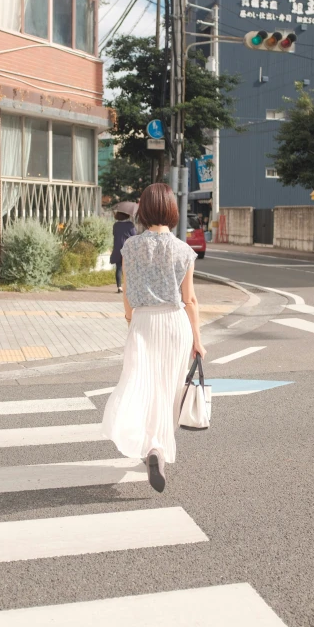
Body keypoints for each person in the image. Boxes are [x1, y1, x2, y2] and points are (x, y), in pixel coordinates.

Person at [102, 183, 206, 493]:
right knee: (168, 390)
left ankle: (150, 447)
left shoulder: (130, 247)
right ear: (172, 210)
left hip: (144, 323)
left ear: (144, 211)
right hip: (175, 325)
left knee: (140, 384)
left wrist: (132, 323)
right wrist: (197, 340)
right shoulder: (183, 250)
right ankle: (158, 448)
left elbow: (128, 297)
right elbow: (190, 300)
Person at [110, 210, 136, 293]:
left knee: (119, 268)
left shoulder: (116, 225)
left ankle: (119, 286)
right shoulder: (130, 225)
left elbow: (114, 234)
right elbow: (134, 236)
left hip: (118, 248)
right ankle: (129, 286)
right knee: (129, 268)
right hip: (128, 248)